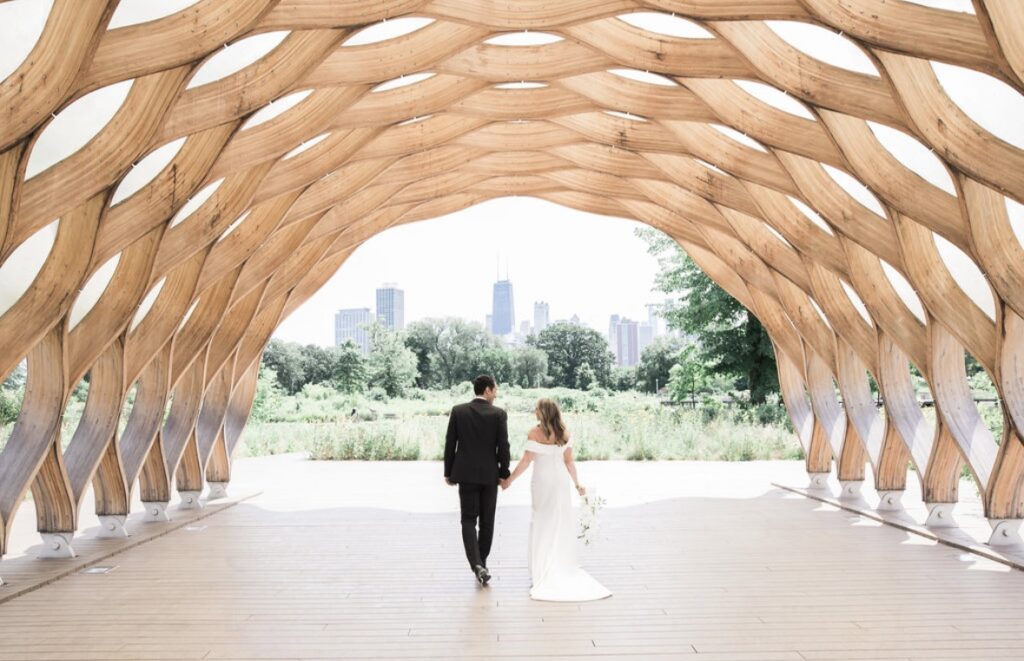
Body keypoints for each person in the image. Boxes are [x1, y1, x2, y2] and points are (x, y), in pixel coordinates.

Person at [502, 398, 611, 602]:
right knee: (559, 521)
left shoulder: (535, 433)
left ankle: (542, 568)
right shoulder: (565, 432)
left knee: (542, 521)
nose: (534, 411)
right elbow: (569, 462)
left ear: (543, 412)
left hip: (542, 482)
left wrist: (509, 480)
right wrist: (577, 483)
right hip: (560, 481)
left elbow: (526, 461)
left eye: (536, 409)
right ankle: (559, 564)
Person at [444, 375, 510, 586]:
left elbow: (450, 443)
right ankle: (481, 564)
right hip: (490, 475)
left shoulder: (458, 411)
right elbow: (503, 446)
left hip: (465, 475)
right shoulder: (498, 414)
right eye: (495, 389)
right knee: (487, 521)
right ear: (488, 390)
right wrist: (504, 472)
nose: (496, 393)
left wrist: (448, 471)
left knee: (468, 520)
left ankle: (477, 565)